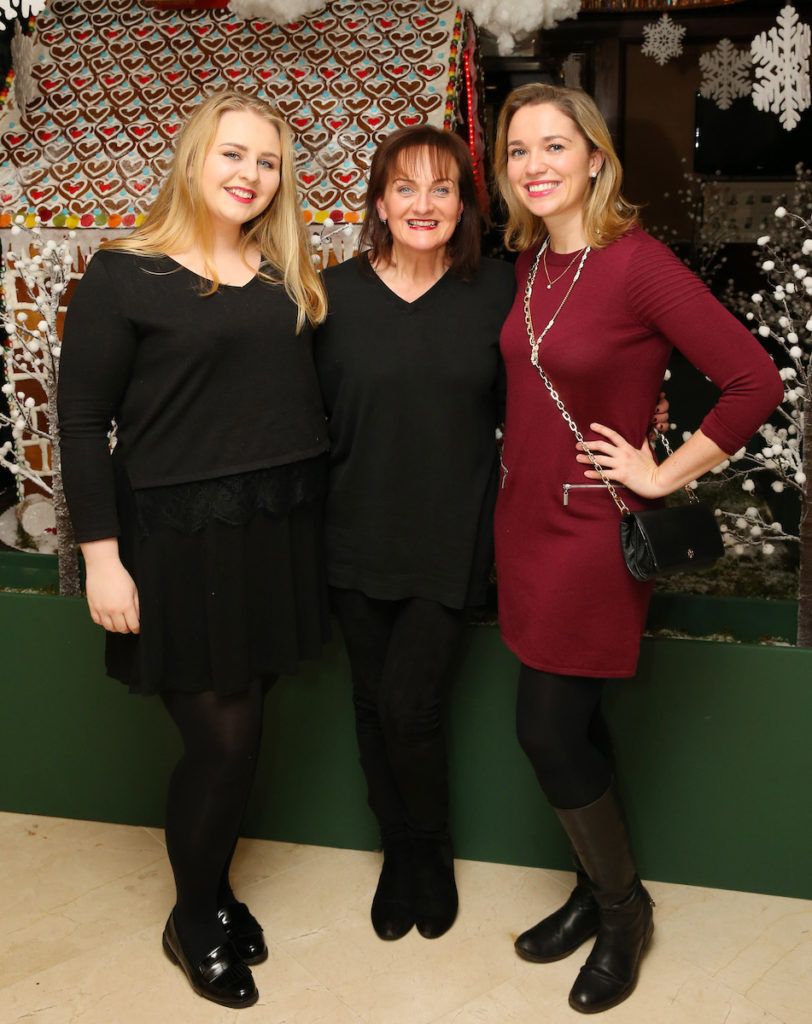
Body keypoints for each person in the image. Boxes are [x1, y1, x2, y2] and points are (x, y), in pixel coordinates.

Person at [492, 83, 783, 1014]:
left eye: (553, 146)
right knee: (573, 724)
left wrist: (665, 472)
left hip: (589, 527)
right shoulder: (535, 262)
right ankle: (593, 888)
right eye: (516, 151)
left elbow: (754, 380)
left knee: (543, 727)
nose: (535, 165)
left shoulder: (637, 261)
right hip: (524, 521)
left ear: (595, 158)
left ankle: (624, 913)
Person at [57, 91, 329, 1009]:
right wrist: (100, 555)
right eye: (234, 156)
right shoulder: (124, 272)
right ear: (192, 160)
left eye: (268, 162)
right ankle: (192, 917)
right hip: (174, 543)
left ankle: (212, 889)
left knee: (248, 736)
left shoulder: (286, 274)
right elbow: (83, 420)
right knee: (222, 742)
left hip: (272, 531)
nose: (251, 175)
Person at [315, 126, 515, 942]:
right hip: (352, 532)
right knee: (371, 703)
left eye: (442, 188)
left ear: (465, 204)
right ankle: (397, 853)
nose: (423, 205)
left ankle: (429, 853)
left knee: (412, 705)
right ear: (378, 202)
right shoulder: (329, 295)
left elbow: (561, 373)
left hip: (452, 534)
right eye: (405, 187)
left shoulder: (500, 292)